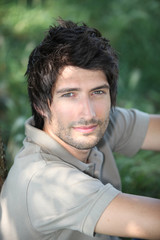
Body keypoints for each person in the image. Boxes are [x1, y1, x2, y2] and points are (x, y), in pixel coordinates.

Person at [0, 18, 160, 240]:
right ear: (41, 106)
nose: (89, 113)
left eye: (98, 92)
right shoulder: (47, 183)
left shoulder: (90, 125)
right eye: (69, 94)